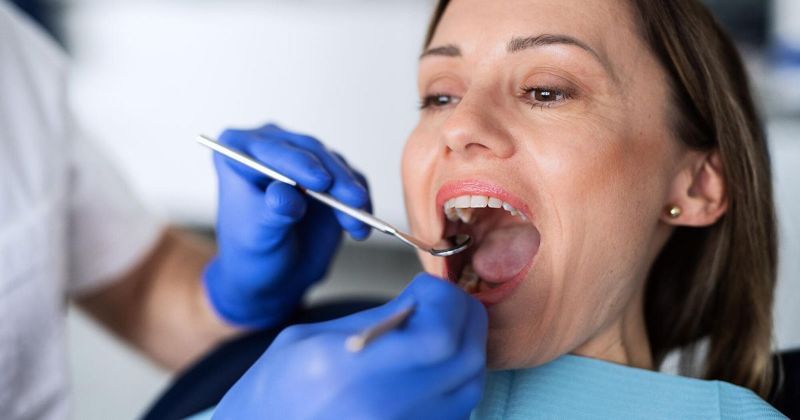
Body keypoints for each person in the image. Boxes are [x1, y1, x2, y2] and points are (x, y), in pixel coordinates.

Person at [197, 0, 789, 418]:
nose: (459, 125)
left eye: (547, 90)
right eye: (440, 95)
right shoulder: (294, 392)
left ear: (696, 188)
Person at [0, 2, 373, 418]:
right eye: (441, 97)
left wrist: (234, 298)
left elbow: (138, 284)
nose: (458, 128)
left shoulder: (13, 52)